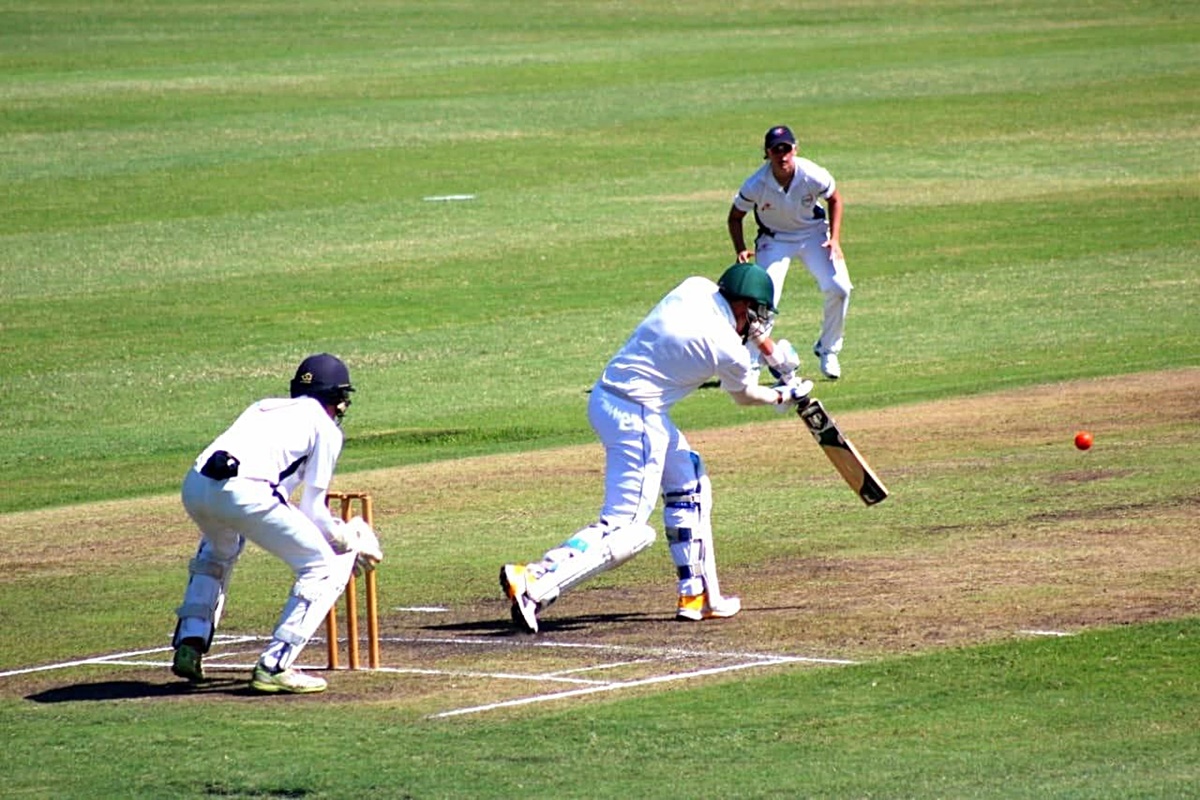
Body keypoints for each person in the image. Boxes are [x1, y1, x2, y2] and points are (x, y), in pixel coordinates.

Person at [499, 263, 813, 633]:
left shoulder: (695, 286)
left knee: (689, 481)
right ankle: (535, 584)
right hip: (638, 417)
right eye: (756, 314)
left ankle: (698, 596)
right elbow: (745, 396)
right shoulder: (726, 348)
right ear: (744, 305)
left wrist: (770, 352)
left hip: (607, 398)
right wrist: (784, 393)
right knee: (629, 529)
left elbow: (747, 331)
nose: (758, 324)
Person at [170, 353, 382, 694]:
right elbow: (312, 509)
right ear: (338, 400)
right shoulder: (325, 429)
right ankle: (275, 665)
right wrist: (348, 541)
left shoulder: (264, 407)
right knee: (322, 568)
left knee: (220, 548)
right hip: (245, 492)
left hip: (195, 486)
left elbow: (273, 492)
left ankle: (190, 640)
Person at [727, 124, 852, 380]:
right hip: (775, 240)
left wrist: (835, 239)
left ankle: (828, 350)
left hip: (814, 234)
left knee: (840, 287)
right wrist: (740, 249)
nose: (782, 156)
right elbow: (735, 217)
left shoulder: (811, 173)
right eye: (776, 150)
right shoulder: (756, 184)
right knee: (763, 299)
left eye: (786, 149)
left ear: (795, 149)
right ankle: (751, 362)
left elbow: (835, 199)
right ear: (767, 153)